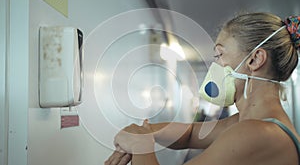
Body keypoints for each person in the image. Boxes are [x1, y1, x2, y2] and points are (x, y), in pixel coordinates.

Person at [105, 12, 300, 165]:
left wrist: (141, 145)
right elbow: (190, 134)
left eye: (220, 54)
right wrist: (144, 132)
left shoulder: (258, 133)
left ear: (255, 59)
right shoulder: (247, 123)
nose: (215, 66)